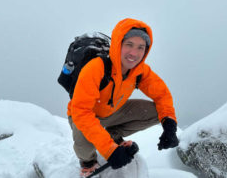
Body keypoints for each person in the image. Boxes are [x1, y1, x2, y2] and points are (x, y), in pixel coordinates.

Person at [67, 18, 179, 177]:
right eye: (129, 45)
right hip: (83, 116)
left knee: (157, 113)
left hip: (112, 112)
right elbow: (81, 111)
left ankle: (112, 136)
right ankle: (88, 163)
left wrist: (169, 125)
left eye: (141, 47)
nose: (134, 53)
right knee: (85, 148)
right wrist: (110, 151)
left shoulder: (139, 71)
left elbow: (162, 95)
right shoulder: (96, 68)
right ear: (118, 44)